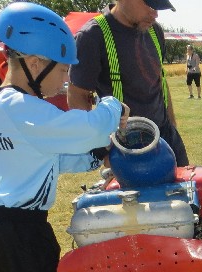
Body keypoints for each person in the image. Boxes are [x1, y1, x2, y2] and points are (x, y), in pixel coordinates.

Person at [0, 1, 127, 272]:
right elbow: (89, 127)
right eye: (62, 69)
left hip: (8, 227)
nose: (65, 80)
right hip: (21, 232)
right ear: (33, 62)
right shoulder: (20, 107)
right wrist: (112, 106)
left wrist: (92, 157)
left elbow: (44, 158)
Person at [68, 0, 190, 167]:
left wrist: (172, 126)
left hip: (167, 139)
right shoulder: (92, 36)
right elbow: (77, 96)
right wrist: (101, 151)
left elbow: (160, 81)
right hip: (128, 147)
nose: (155, 14)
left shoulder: (155, 31)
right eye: (150, 5)